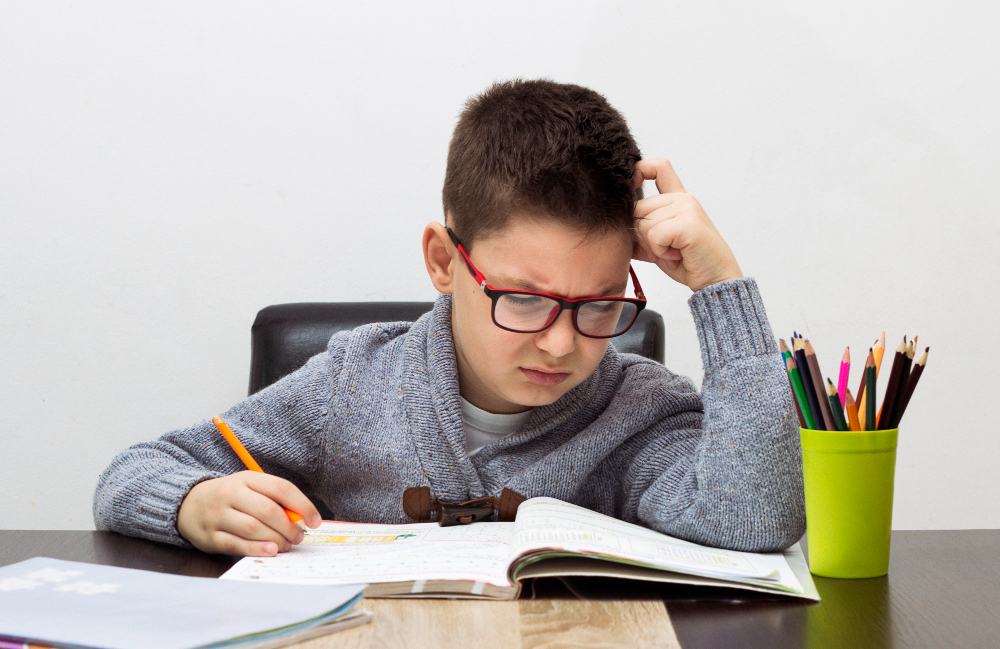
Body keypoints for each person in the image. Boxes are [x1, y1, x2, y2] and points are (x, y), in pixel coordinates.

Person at [93, 79, 805, 557]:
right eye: (522, 298)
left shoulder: (638, 411)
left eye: (597, 305)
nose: (560, 342)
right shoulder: (351, 384)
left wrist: (721, 285)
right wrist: (193, 502)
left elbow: (756, 520)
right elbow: (130, 473)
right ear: (444, 262)